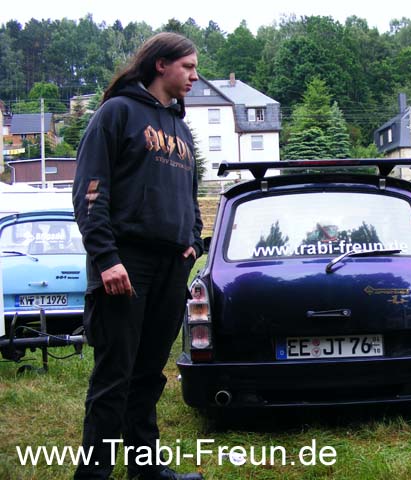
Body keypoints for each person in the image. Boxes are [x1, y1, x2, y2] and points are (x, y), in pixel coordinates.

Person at [72, 32, 204, 480]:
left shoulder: (181, 129)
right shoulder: (117, 113)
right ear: (160, 64)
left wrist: (194, 242)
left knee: (149, 377)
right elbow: (90, 190)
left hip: (171, 267)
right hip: (125, 264)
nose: (194, 75)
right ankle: (93, 476)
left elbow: (190, 198)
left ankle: (146, 472)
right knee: (115, 378)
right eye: (187, 66)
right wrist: (107, 258)